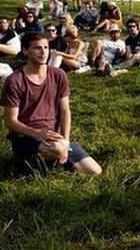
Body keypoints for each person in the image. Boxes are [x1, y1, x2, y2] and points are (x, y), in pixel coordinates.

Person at [0, 33, 102, 176]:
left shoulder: (59, 75)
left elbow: (65, 111)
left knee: (95, 171)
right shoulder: (15, 81)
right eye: (37, 48)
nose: (43, 52)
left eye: (46, 47)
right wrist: (37, 134)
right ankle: (30, 161)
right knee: (57, 149)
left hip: (54, 136)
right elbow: (10, 121)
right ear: (25, 51)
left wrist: (66, 141)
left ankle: (41, 163)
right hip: (25, 137)